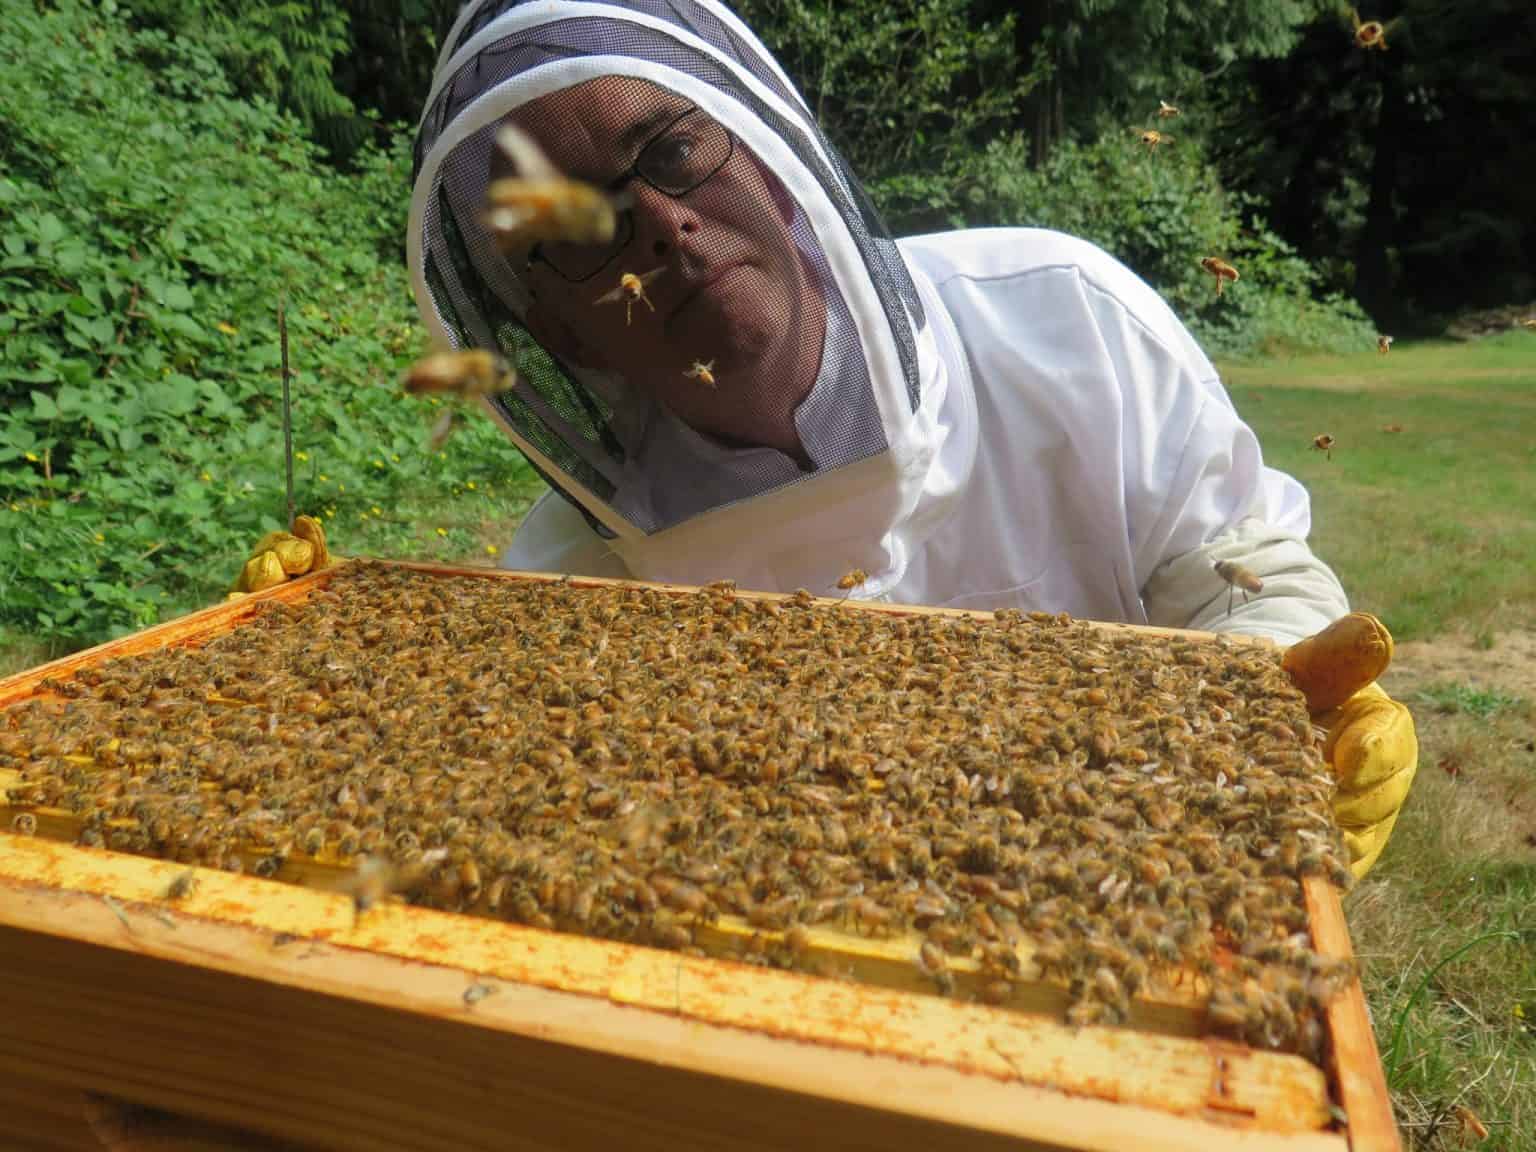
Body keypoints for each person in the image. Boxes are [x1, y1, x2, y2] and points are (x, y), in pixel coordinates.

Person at [248, 0, 1416, 875]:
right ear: (553, 323)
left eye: (672, 152)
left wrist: (1280, 715)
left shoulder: (1063, 320)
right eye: (580, 226)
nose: (663, 228)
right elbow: (493, 838)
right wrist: (309, 685)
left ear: (768, 150)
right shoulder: (573, 580)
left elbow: (1243, 575)